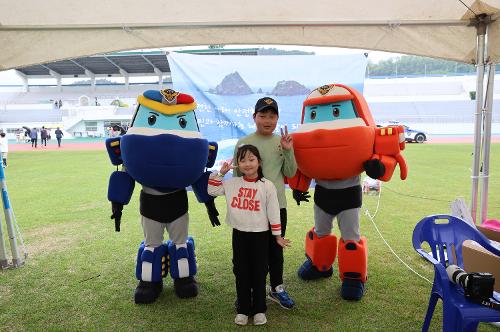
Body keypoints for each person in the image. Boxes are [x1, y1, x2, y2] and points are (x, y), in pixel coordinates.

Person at [208, 144, 290, 326]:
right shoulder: (232, 184)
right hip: (239, 235)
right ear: (237, 163)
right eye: (242, 160)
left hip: (261, 236)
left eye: (251, 159)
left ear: (259, 162)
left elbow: (274, 212)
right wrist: (221, 173)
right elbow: (212, 190)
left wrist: (277, 236)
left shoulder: (267, 186)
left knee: (260, 272)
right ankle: (243, 309)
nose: (247, 164)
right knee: (241, 272)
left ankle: (260, 309)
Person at [233, 97, 297, 309]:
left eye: (272, 116)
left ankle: (276, 288)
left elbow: (290, 172)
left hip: (277, 206)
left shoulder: (283, 141)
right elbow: (236, 177)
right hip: (250, 208)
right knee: (249, 253)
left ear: (277, 118)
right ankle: (247, 292)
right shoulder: (243, 143)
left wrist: (288, 150)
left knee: (275, 250)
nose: (267, 120)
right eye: (263, 116)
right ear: (254, 117)